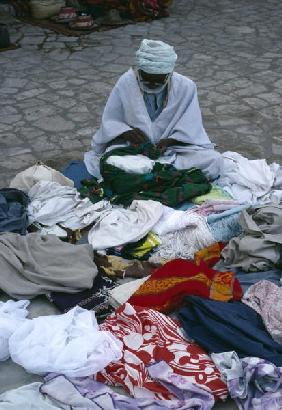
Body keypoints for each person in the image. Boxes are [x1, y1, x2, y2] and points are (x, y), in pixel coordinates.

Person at [84, 39, 221, 180]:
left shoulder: (186, 87)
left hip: (175, 150)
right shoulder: (126, 82)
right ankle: (165, 176)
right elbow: (111, 120)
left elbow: (191, 126)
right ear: (139, 71)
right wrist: (126, 132)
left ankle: (153, 175)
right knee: (108, 162)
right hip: (133, 151)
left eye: (158, 81)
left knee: (213, 160)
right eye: (146, 79)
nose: (152, 85)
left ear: (169, 74)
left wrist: (170, 141)